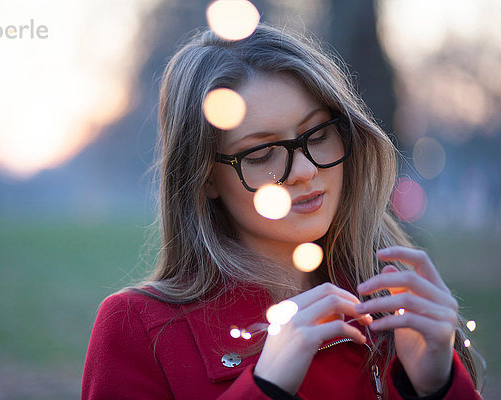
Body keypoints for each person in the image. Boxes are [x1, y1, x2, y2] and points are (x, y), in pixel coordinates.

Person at [81, 23, 481, 400]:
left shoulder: (396, 308)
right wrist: (266, 386)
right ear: (204, 177)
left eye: (318, 134)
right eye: (262, 153)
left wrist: (436, 385)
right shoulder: (139, 327)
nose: (305, 172)